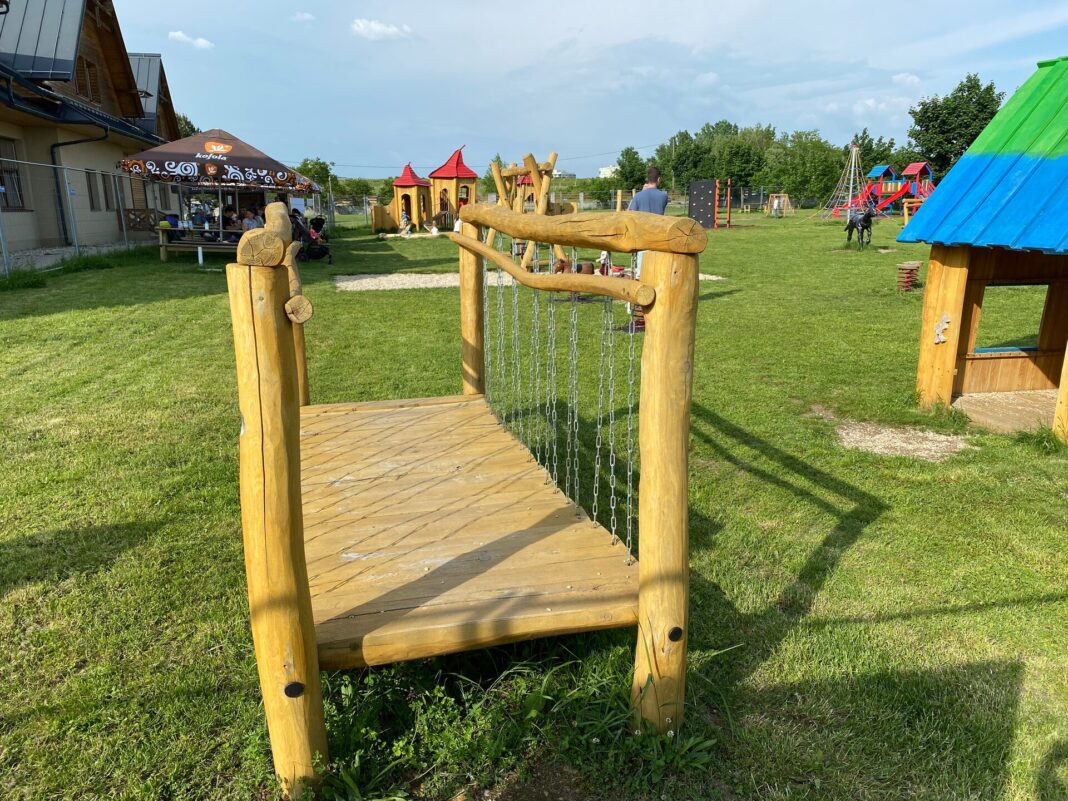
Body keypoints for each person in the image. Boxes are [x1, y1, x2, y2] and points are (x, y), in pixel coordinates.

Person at [627, 166, 668, 280]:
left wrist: (641, 192)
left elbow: (630, 213)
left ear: (647, 179)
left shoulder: (638, 196)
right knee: (657, 270)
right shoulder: (663, 196)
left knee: (641, 272)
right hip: (658, 236)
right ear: (658, 179)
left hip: (642, 236)